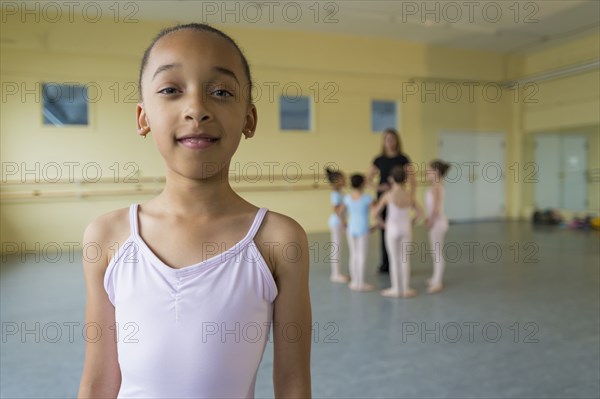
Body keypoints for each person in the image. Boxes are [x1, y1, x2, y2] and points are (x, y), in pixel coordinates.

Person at [77, 23, 312, 398]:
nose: (196, 109)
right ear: (143, 118)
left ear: (249, 119)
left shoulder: (278, 240)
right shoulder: (108, 237)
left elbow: (293, 383)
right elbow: (98, 381)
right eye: (171, 90)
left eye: (220, 92)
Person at [366, 128, 415, 274]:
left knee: (401, 228)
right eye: (387, 139)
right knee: (385, 229)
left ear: (397, 141)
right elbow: (367, 179)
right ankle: (385, 264)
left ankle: (400, 263)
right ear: (384, 141)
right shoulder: (378, 159)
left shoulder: (403, 158)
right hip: (384, 197)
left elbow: (412, 180)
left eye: (392, 139)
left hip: (399, 196)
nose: (389, 141)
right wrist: (379, 186)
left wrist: (411, 197)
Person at [372, 166, 423, 298]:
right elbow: (420, 213)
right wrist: (411, 222)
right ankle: (406, 289)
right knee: (405, 259)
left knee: (394, 260)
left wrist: (382, 224)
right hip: (406, 228)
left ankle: (396, 289)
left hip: (392, 229)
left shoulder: (387, 195)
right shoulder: (409, 195)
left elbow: (376, 213)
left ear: (391, 179)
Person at [337, 174, 376, 292]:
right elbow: (375, 213)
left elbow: (339, 213)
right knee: (361, 256)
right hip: (363, 228)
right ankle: (361, 283)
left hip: (351, 228)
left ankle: (354, 282)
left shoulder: (348, 198)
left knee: (353, 255)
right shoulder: (367, 198)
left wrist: (344, 224)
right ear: (363, 184)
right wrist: (376, 225)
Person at [425, 160, 451, 294]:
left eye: (429, 170)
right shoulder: (436, 185)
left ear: (436, 172)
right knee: (435, 251)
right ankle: (435, 278)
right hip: (437, 222)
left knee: (437, 252)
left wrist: (430, 220)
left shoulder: (436, 187)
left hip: (437, 223)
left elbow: (435, 208)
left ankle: (438, 282)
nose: (427, 173)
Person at [325, 167, 350, 283]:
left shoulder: (340, 193)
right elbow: (336, 210)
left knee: (338, 247)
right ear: (336, 181)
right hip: (336, 222)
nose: (345, 180)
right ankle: (335, 274)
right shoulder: (335, 194)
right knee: (336, 248)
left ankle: (338, 272)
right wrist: (343, 223)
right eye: (342, 178)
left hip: (339, 222)